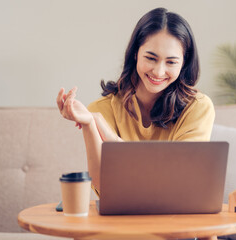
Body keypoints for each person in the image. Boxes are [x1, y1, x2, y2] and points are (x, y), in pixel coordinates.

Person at [56, 7, 215, 196]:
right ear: (135, 53)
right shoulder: (100, 110)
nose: (158, 71)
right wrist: (90, 124)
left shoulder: (198, 107)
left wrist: (112, 139)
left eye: (171, 62)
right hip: (121, 221)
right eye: (150, 58)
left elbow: (178, 178)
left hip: (176, 219)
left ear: (184, 63)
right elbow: (103, 186)